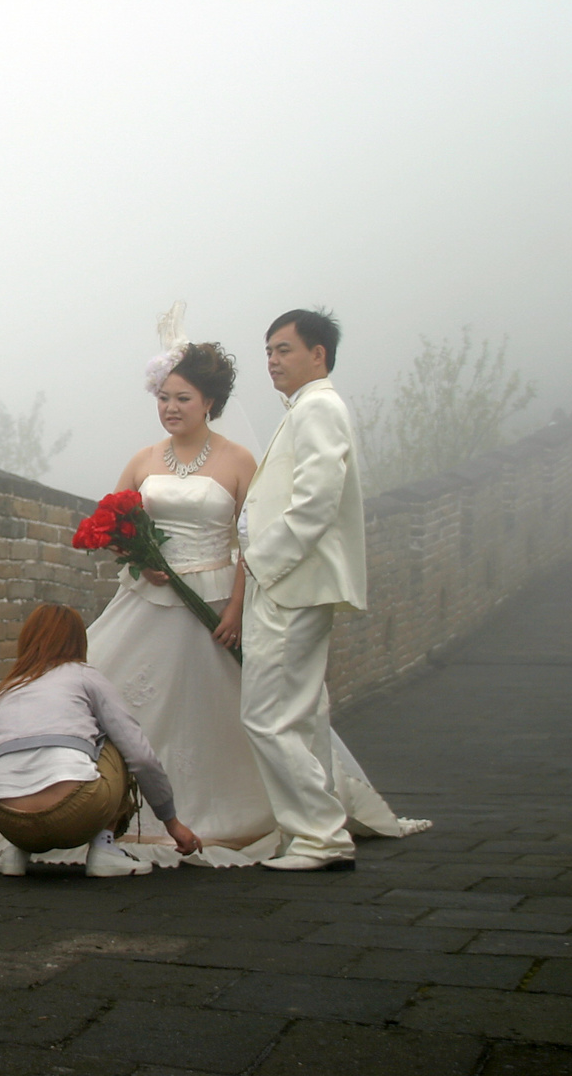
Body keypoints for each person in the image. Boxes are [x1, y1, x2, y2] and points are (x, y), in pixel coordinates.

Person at [0, 305, 425, 872]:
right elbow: (110, 521)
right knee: (119, 694)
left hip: (216, 597)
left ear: (209, 403)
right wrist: (136, 556)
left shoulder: (241, 458)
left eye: (182, 398)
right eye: (164, 398)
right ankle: (96, 809)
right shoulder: (144, 459)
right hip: (148, 598)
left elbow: (255, 532)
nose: (171, 408)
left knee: (259, 710)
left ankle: (278, 822)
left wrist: (235, 603)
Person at [239, 308, 372, 870]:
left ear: (318, 354)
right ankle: (316, 831)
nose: (272, 361)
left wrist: (263, 562)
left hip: (291, 583)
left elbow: (317, 497)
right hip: (289, 581)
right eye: (268, 351)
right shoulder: (309, 408)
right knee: (301, 712)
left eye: (284, 350)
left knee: (267, 714)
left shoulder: (318, 406)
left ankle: (319, 834)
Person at [0, 605, 200, 877]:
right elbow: (140, 756)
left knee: (12, 754)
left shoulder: (8, 689)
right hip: (76, 815)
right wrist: (172, 824)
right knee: (116, 740)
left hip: (8, 821)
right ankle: (104, 849)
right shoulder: (85, 676)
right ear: (78, 640)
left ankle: (16, 851)